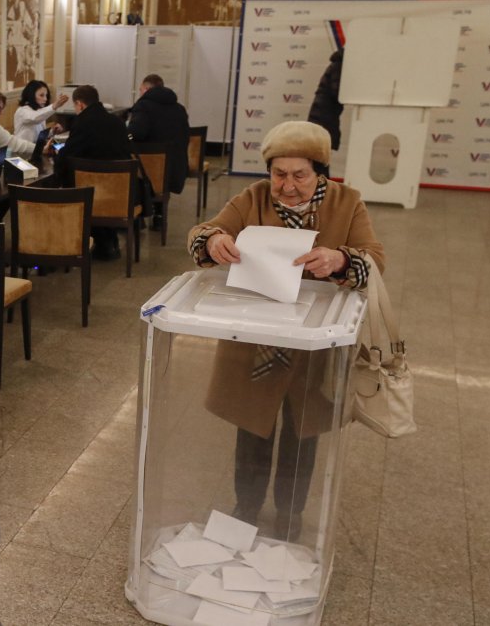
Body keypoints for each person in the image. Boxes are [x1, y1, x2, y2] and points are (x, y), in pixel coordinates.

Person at [187, 120, 385, 541]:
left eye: (299, 175)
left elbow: (375, 260)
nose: (288, 185)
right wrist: (213, 241)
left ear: (319, 172)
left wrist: (339, 259)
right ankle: (247, 506)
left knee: (302, 433)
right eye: (279, 174)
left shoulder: (347, 203)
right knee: (253, 428)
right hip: (256, 338)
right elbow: (201, 233)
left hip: (314, 344)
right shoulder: (252, 198)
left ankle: (291, 514)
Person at [53, 85, 133, 260]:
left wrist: (56, 157)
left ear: (80, 104)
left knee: (77, 183)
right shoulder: (117, 121)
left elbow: (69, 154)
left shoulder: (82, 123)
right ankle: (109, 243)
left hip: (93, 194)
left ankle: (80, 242)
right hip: (122, 191)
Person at [128, 73, 190, 230]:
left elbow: (137, 133)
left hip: (148, 170)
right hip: (173, 168)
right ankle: (159, 216)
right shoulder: (179, 109)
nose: (140, 93)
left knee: (129, 162)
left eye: (141, 89)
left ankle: (138, 216)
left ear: (147, 89)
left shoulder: (143, 106)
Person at [307, 47, 345, 177]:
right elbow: (337, 91)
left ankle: (320, 186)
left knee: (320, 155)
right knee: (322, 156)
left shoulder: (335, 65)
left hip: (320, 115)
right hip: (324, 117)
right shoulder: (339, 67)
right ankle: (322, 186)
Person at [12, 80, 68, 144]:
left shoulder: (40, 111)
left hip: (35, 150)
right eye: (41, 95)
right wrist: (54, 106)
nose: (45, 99)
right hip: (22, 152)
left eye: (46, 95)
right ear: (31, 95)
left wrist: (53, 132)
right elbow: (35, 118)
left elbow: (39, 135)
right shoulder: (22, 111)